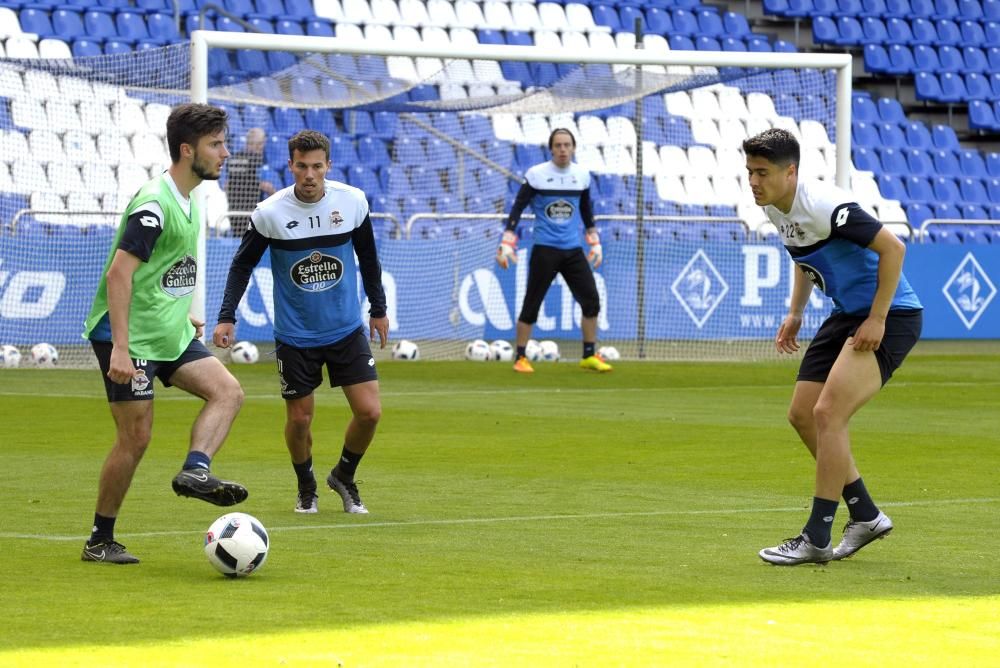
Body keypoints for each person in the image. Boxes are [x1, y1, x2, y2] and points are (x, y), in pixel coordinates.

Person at [743, 128, 923, 566]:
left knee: (829, 413)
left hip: (889, 316)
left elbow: (893, 249)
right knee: (803, 415)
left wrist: (878, 318)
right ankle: (864, 514)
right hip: (845, 314)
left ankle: (817, 536)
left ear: (791, 172)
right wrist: (796, 312)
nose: (753, 182)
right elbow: (805, 259)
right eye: (749, 172)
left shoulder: (826, 204)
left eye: (762, 173)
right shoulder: (774, 208)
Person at [81, 103, 249, 565]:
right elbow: (120, 275)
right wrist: (119, 348)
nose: (226, 152)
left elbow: (165, 272)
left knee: (229, 393)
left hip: (168, 334)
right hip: (129, 339)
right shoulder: (155, 204)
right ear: (187, 149)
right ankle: (100, 539)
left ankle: (195, 472)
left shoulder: (190, 198)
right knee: (135, 438)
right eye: (216, 144)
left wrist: (183, 315)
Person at [213, 129, 388, 516]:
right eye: (302, 166)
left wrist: (378, 308)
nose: (309, 175)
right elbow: (242, 264)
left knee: (370, 412)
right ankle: (306, 485)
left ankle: (344, 475)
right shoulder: (270, 212)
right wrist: (227, 315)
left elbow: (369, 258)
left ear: (328, 166)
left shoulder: (353, 202)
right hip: (296, 335)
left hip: (345, 328)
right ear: (290, 165)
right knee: (299, 419)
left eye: (317, 167)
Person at [497, 128, 612, 374]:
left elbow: (585, 210)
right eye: (558, 145)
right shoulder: (537, 175)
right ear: (551, 149)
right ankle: (520, 357)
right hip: (545, 250)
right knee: (532, 303)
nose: (562, 149)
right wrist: (507, 241)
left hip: (572, 250)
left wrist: (595, 241)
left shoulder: (581, 176)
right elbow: (517, 208)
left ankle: (589, 355)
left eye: (566, 145)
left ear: (573, 148)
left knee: (591, 300)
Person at [225, 127, 275, 236]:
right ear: (253, 144)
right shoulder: (240, 159)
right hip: (241, 214)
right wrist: (262, 186)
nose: (262, 147)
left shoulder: (253, 159)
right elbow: (237, 184)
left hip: (252, 213)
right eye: (261, 144)